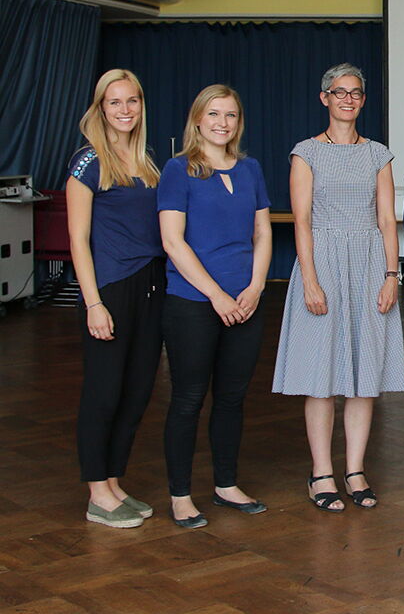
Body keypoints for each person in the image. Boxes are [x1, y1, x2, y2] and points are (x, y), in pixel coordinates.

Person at [273, 63, 404, 512]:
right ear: (324, 98)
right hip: (324, 264)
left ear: (363, 100)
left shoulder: (378, 155)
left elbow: (387, 219)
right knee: (320, 377)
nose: (347, 99)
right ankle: (321, 473)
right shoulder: (306, 153)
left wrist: (393, 275)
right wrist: (309, 278)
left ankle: (354, 469)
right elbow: (303, 221)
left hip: (370, 265)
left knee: (363, 378)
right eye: (339, 92)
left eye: (355, 93)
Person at [158, 84, 272, 529]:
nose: (223, 123)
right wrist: (216, 295)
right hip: (192, 303)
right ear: (198, 120)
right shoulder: (177, 169)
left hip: (246, 302)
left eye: (231, 115)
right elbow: (172, 241)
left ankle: (226, 485)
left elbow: (262, 232)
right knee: (187, 399)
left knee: (232, 398)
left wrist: (257, 286)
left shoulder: (251, 169)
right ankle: (181, 495)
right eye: (214, 114)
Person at [66, 69, 165, 529]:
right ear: (100, 109)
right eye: (115, 102)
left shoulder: (148, 165)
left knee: (138, 391)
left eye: (132, 102)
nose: (125, 110)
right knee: (104, 394)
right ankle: (96, 493)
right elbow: (78, 240)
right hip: (110, 290)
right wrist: (93, 304)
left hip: (150, 286)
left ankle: (113, 481)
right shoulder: (88, 163)